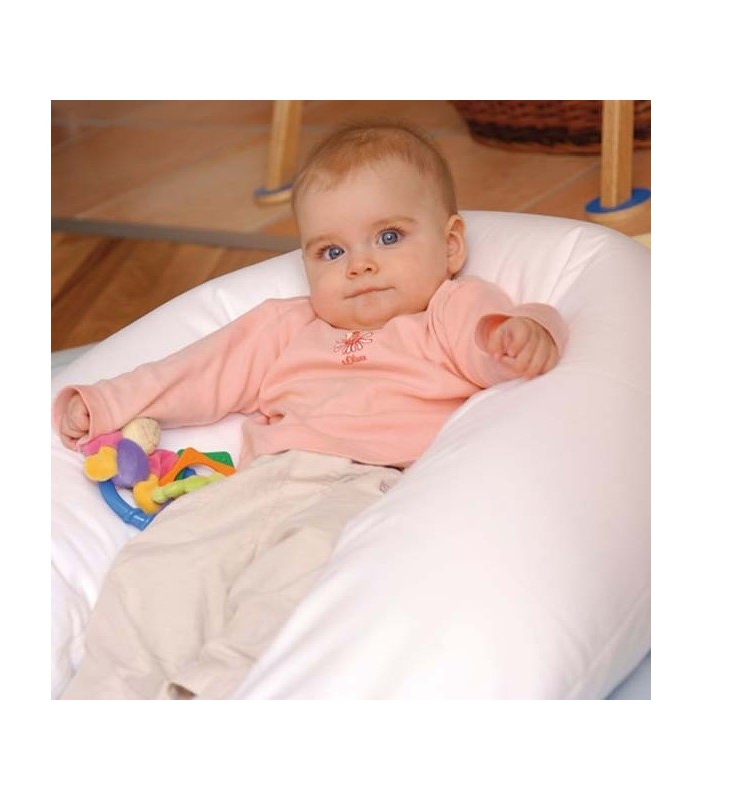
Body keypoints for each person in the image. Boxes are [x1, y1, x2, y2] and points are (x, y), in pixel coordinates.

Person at [53, 120, 568, 699]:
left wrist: (523, 334)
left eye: (389, 237)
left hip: (364, 486)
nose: (359, 265)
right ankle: (105, 698)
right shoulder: (287, 326)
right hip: (257, 482)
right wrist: (106, 403)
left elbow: (494, 338)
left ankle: (212, 695)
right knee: (158, 570)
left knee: (295, 585)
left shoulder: (446, 311)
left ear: (451, 246)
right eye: (332, 251)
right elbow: (194, 372)